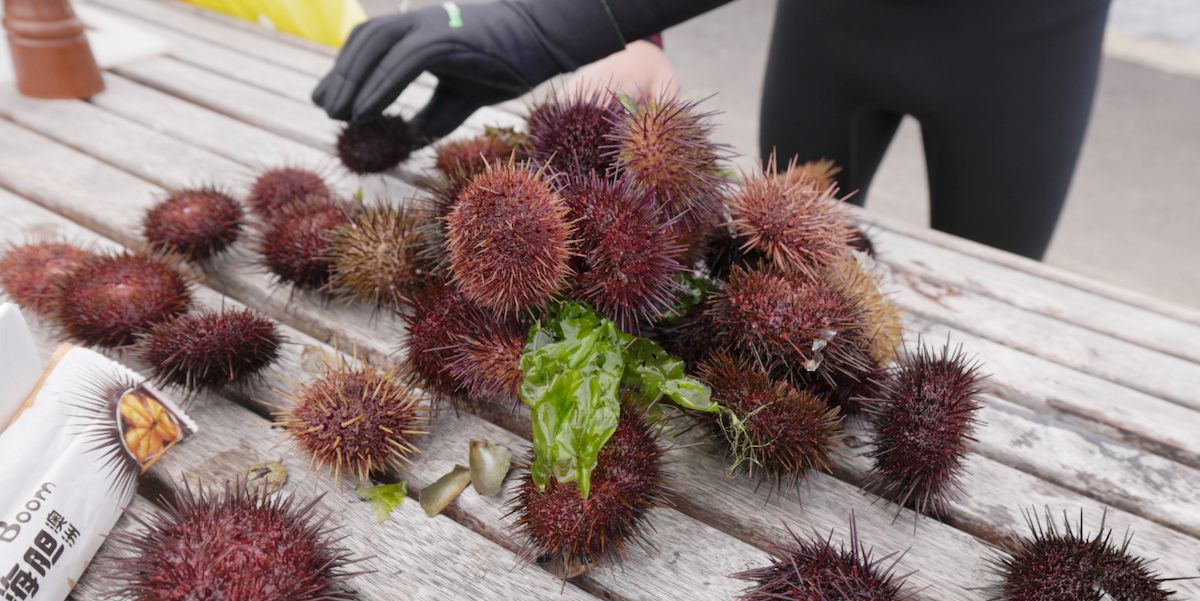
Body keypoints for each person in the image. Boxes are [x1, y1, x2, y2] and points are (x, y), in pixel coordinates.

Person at [313, 0, 1111, 260]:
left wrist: (577, 13)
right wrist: (625, 32)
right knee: (772, 255)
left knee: (993, 302)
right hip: (832, 34)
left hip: (1025, 53)